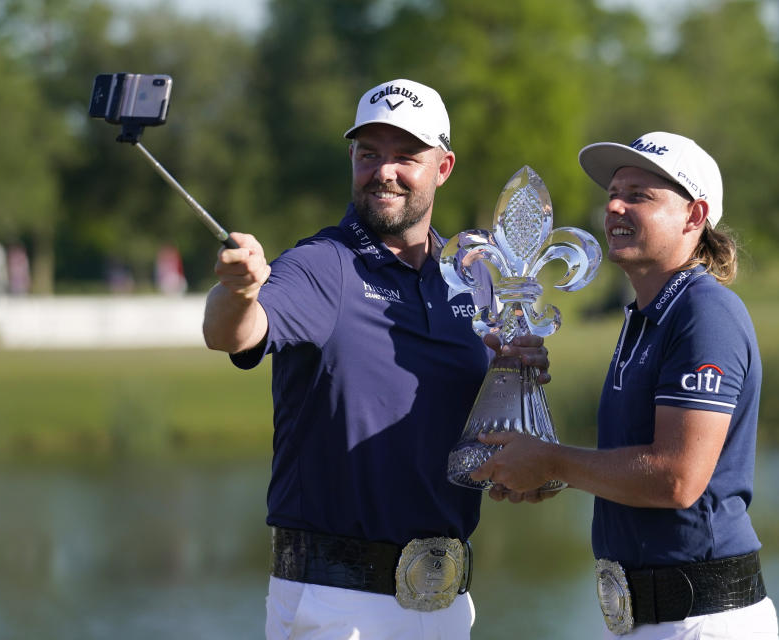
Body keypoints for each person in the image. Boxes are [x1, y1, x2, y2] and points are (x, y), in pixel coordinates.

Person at [202, 78, 548, 640]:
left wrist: (517, 387)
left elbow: (474, 419)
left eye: (406, 156)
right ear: (352, 159)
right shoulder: (323, 265)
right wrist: (236, 290)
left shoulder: (474, 274)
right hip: (338, 605)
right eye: (370, 154)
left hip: (449, 601)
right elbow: (234, 334)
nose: (384, 171)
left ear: (444, 167)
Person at [470, 132, 779, 638]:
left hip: (702, 622)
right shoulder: (647, 314)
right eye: (613, 193)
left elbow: (677, 479)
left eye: (639, 195)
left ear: (694, 216)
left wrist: (552, 461)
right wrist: (544, 467)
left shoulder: (705, 313)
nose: (613, 206)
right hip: (650, 619)